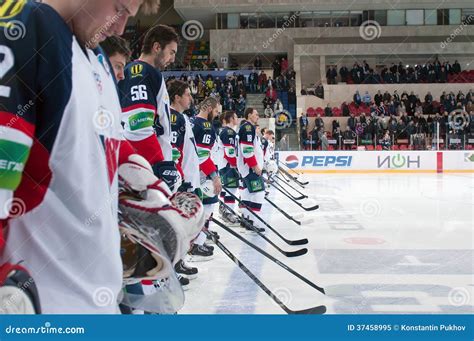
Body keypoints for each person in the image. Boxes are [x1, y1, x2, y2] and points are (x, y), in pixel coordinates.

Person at [0, 0, 191, 314]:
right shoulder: (23, 29)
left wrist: (144, 182)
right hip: (46, 308)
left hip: (99, 303)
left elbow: (105, 145)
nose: (119, 28)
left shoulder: (98, 58)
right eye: (118, 9)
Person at [119, 24, 181, 192]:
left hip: (145, 168)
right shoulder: (142, 71)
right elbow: (138, 125)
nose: (173, 59)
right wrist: (161, 165)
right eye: (172, 52)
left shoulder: (142, 72)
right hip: (147, 169)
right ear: (156, 47)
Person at [191, 97, 223, 259]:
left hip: (189, 174)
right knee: (207, 207)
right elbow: (202, 156)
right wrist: (214, 176)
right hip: (201, 174)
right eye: (216, 111)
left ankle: (196, 242)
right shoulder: (205, 126)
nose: (216, 115)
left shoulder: (190, 121)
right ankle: (197, 242)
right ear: (209, 108)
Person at [237, 108, 266, 233]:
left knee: (248, 193)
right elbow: (247, 150)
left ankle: (246, 220)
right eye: (256, 114)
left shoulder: (246, 127)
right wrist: (255, 166)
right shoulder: (248, 128)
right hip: (250, 168)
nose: (258, 117)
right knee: (259, 193)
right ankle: (254, 222)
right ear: (249, 115)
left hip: (246, 168)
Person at [216, 111, 240, 225]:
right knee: (231, 189)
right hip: (228, 165)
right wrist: (236, 164)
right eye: (235, 117)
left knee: (227, 189)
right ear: (231, 118)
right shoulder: (229, 131)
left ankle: (224, 210)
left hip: (223, 165)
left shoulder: (223, 131)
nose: (237, 119)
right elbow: (229, 151)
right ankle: (228, 213)